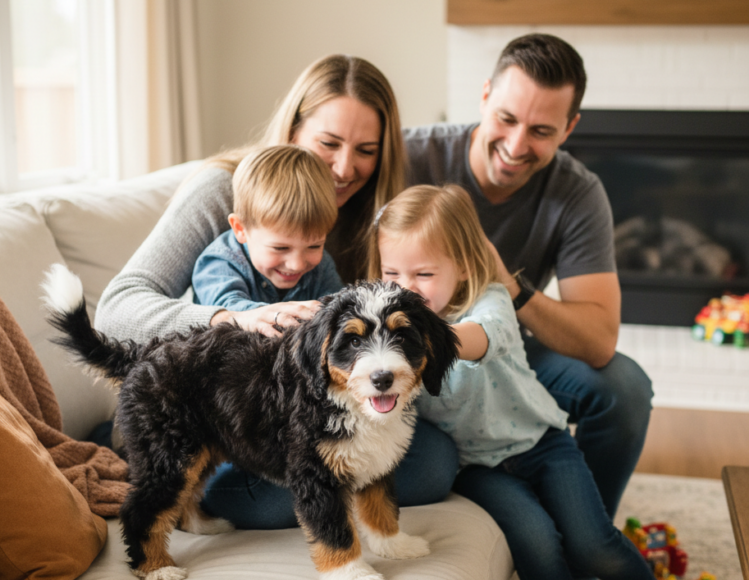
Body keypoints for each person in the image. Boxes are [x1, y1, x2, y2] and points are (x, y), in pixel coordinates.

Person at [94, 54, 458, 529]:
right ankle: (144, 453)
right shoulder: (223, 190)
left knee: (434, 462)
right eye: (329, 143)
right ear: (293, 131)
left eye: (366, 150)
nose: (344, 168)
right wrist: (233, 318)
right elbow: (116, 308)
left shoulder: (369, 214)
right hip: (220, 404)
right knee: (286, 488)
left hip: (308, 408)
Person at [402, 33, 653, 520]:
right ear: (484, 97)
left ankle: (584, 529)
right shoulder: (411, 157)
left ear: (569, 128)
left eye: (541, 130)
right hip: (412, 351)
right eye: (506, 118)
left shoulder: (578, 192)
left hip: (507, 348)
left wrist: (511, 285)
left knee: (625, 388)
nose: (516, 146)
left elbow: (600, 341)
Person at [370, 183, 654, 580]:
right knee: (539, 548)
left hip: (544, 443)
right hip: (478, 468)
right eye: (392, 273)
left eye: (424, 273)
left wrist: (424, 340)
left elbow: (488, 336)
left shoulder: (490, 299)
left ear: (464, 266)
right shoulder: (383, 332)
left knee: (594, 547)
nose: (405, 288)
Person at [192, 145, 343, 310]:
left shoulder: (322, 267)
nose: (297, 264)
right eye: (280, 248)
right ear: (240, 229)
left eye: (315, 246)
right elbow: (231, 314)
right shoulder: (219, 263)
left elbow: (338, 310)